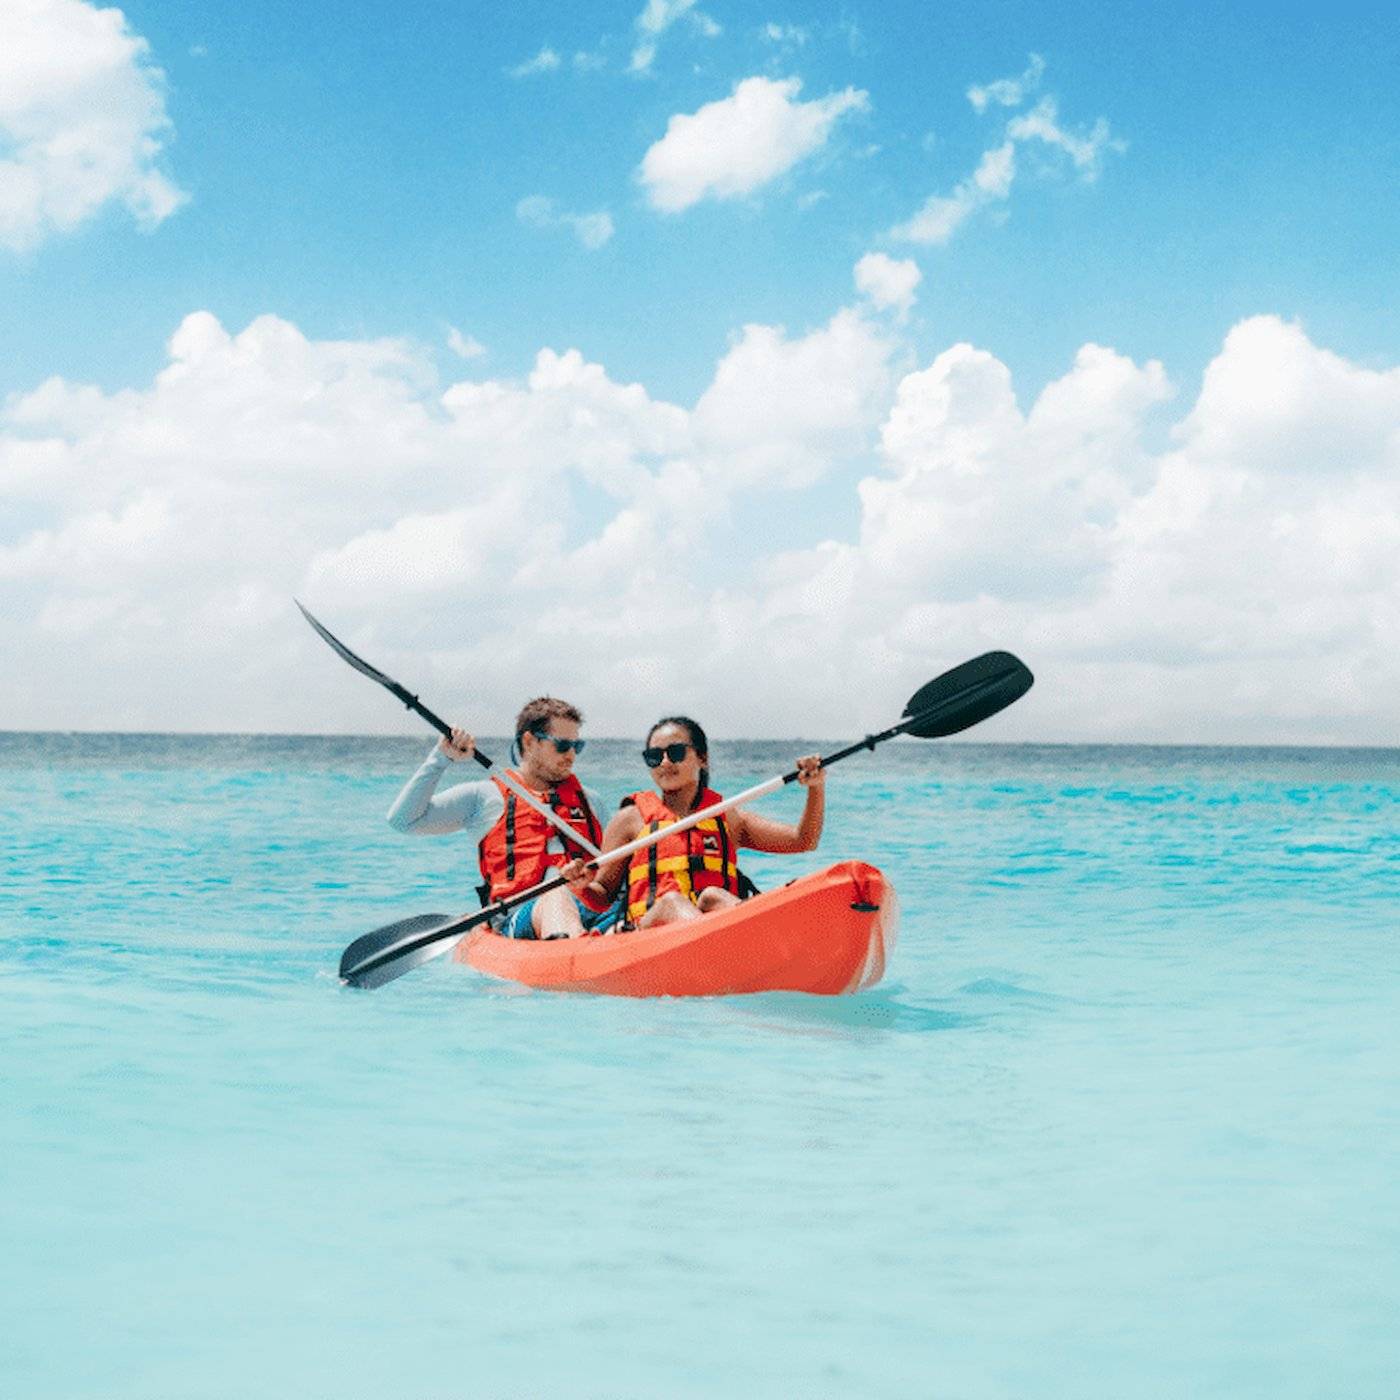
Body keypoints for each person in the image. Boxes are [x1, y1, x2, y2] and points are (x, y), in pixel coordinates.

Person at [564, 716, 825, 929]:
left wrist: (816, 787)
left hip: (714, 928)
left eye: (676, 752)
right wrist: (581, 885)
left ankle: (762, 936)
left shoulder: (727, 817)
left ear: (702, 758)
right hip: (649, 935)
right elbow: (602, 897)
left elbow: (804, 840)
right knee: (671, 902)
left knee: (712, 895)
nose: (665, 762)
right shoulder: (630, 819)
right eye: (654, 756)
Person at [387, 696, 612, 940]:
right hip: (518, 920)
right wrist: (442, 757)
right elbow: (403, 820)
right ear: (529, 741)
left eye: (577, 746)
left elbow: (611, 878)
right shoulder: (483, 797)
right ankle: (575, 949)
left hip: (588, 911)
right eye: (562, 745)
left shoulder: (592, 802)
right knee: (555, 896)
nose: (571, 755)